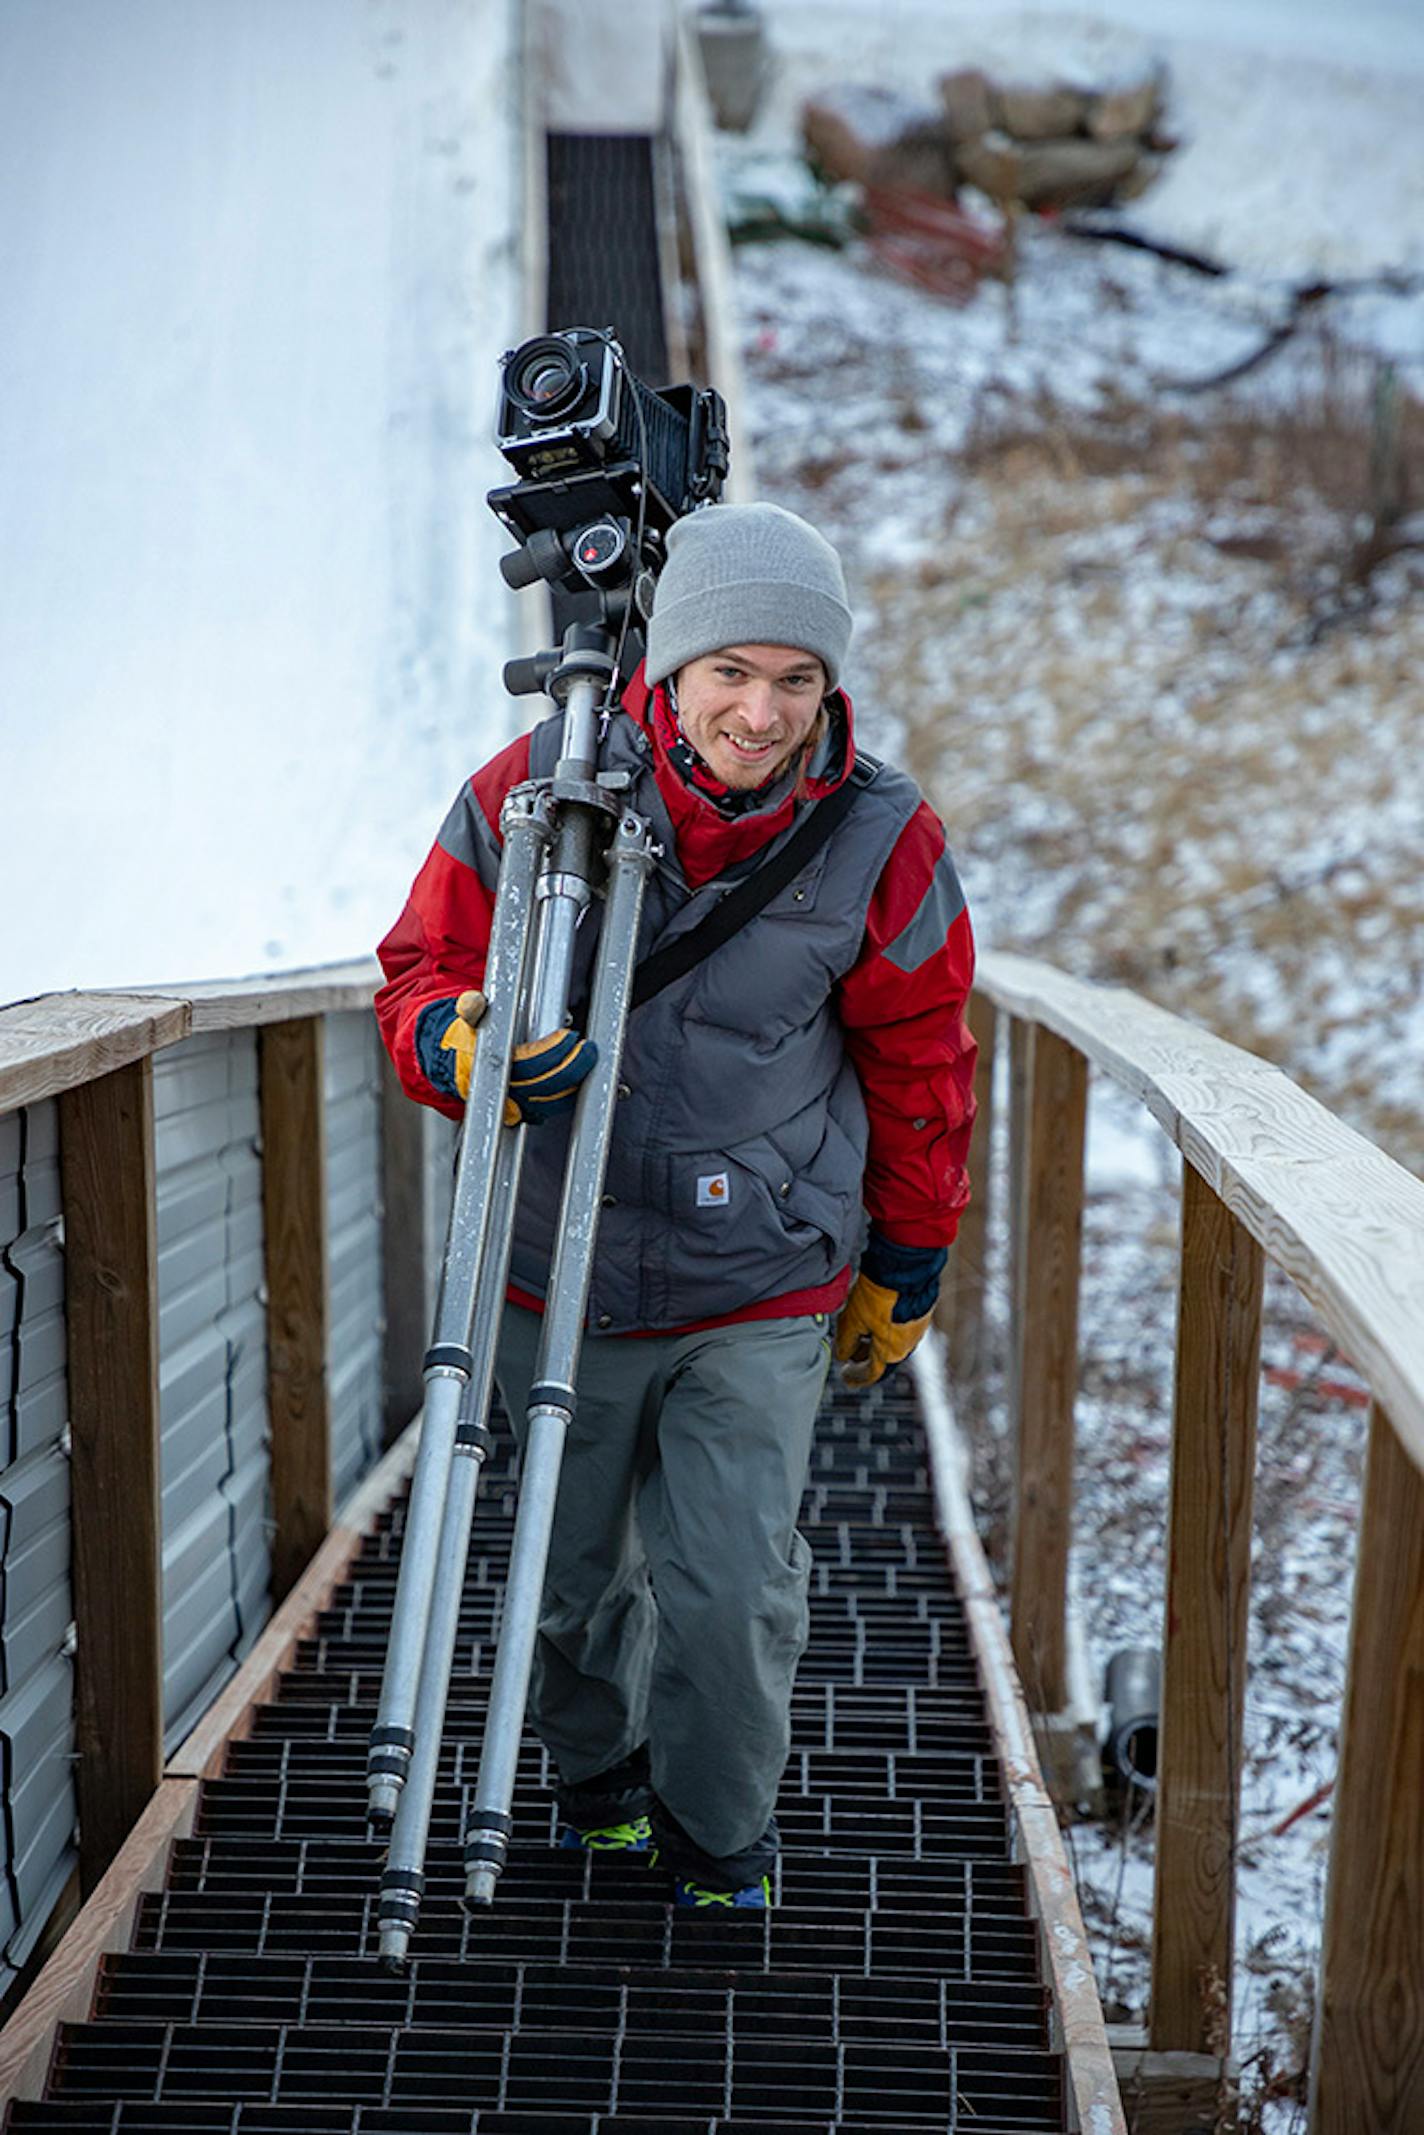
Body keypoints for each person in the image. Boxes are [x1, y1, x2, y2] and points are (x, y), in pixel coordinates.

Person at [375, 502, 976, 1908]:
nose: (762, 714)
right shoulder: (537, 789)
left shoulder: (884, 839)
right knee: (572, 1579)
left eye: (799, 681)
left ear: (833, 686)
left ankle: (722, 1836)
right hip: (556, 1266)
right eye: (733, 673)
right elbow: (416, 971)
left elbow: (926, 1059)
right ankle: (597, 1779)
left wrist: (909, 1256)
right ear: (672, 667)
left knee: (728, 1591)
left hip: (758, 1280)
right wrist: (458, 1044)